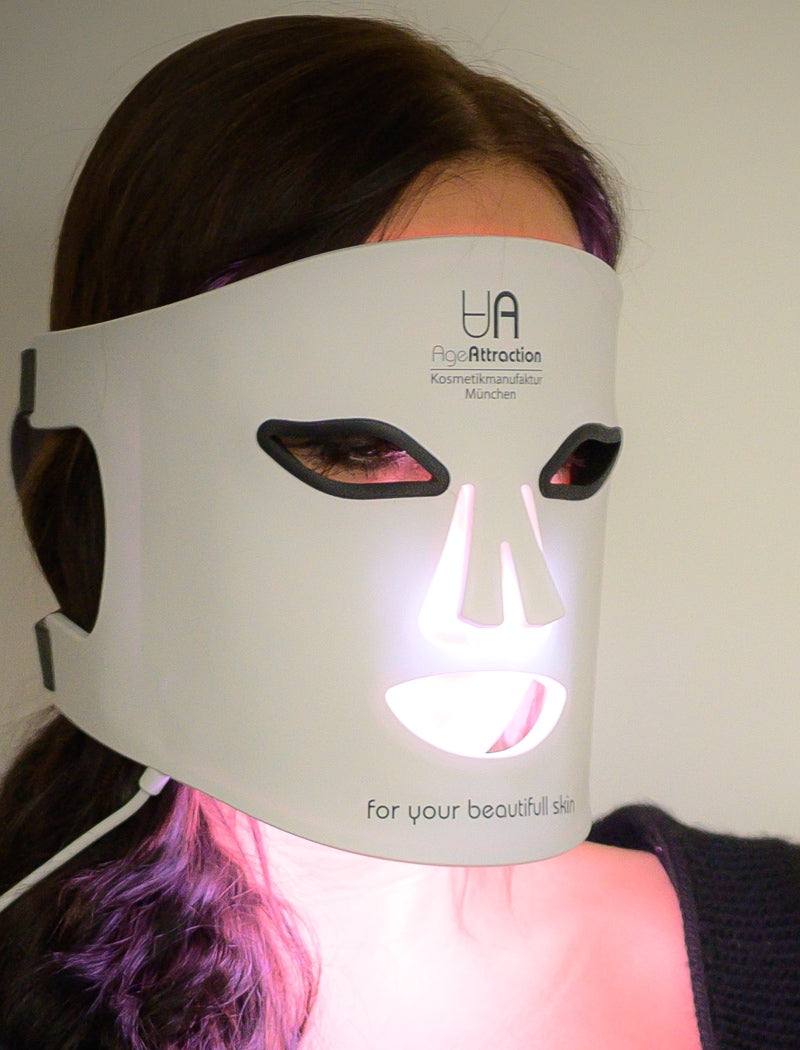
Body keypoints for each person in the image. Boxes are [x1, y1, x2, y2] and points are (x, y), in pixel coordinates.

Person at [1, 16, 798, 1050]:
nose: (510, 601)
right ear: (101, 461)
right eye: (364, 448)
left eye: (567, 463)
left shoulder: (774, 946)